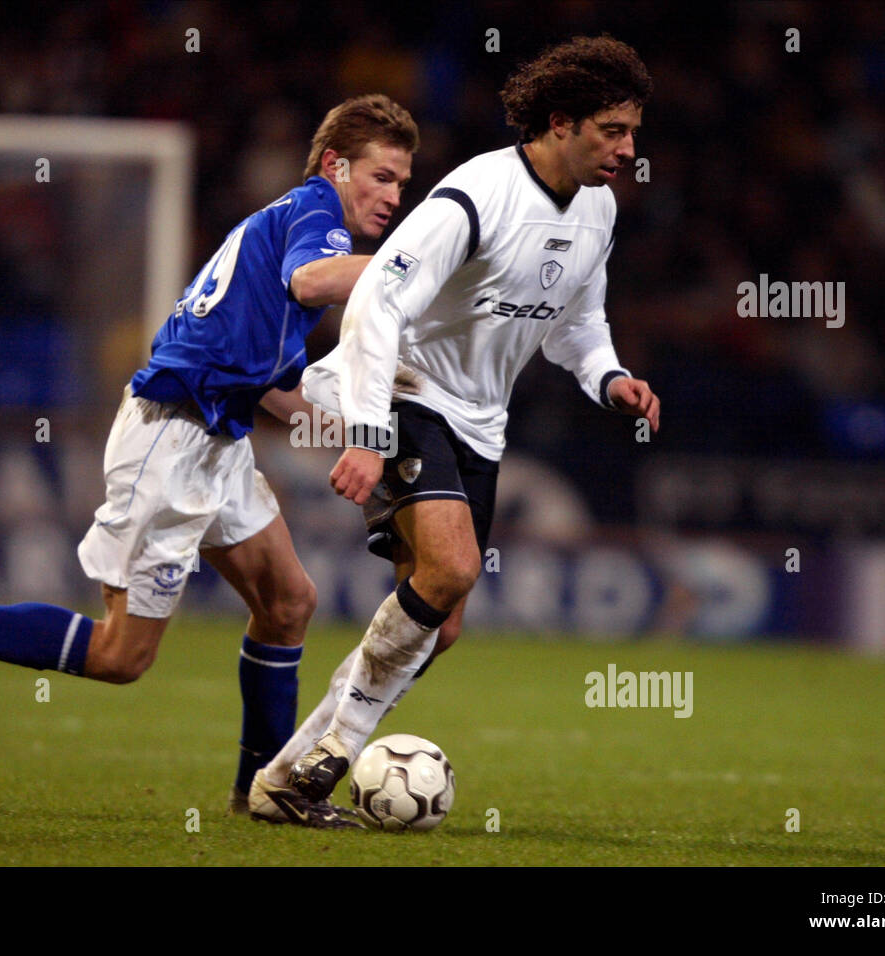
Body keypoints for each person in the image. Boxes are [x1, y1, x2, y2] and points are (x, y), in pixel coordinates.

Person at [0, 95, 418, 828]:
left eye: (403, 184)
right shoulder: (314, 213)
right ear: (337, 167)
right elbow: (314, 281)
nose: (395, 197)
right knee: (122, 656)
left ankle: (265, 792)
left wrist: (356, 435)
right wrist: (408, 270)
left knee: (288, 603)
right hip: (169, 443)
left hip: (217, 439)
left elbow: (271, 383)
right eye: (383, 177)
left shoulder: (284, 230)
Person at [258, 37, 662, 807]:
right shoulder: (475, 196)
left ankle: (285, 776)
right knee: (453, 570)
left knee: (438, 625)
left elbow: (579, 319)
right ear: (559, 122)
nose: (627, 148)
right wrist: (371, 437)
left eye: (632, 132)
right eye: (612, 130)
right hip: (402, 390)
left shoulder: (599, 209)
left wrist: (608, 376)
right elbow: (376, 303)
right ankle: (338, 751)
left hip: (477, 420)